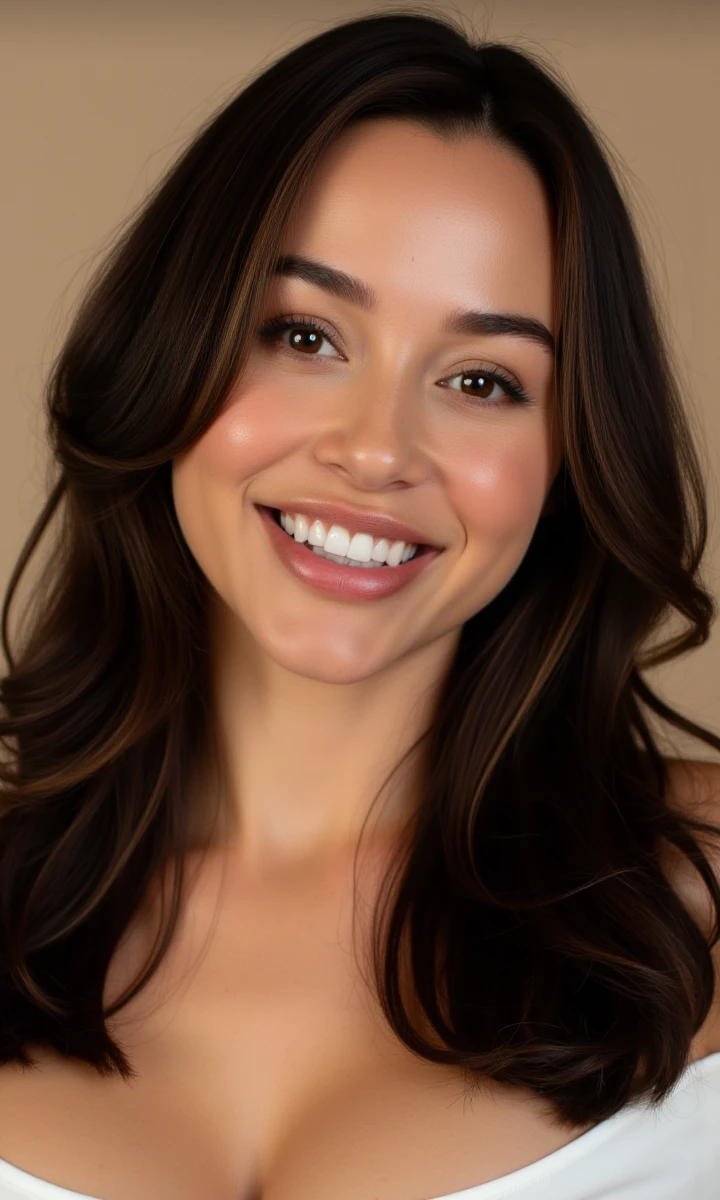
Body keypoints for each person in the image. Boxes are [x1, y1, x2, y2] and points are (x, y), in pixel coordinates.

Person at [0, 8, 718, 1199]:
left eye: (483, 379)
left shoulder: (699, 894)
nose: (379, 450)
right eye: (304, 333)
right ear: (172, 352)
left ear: (570, 459)